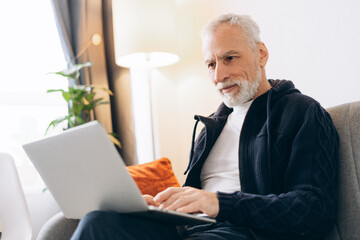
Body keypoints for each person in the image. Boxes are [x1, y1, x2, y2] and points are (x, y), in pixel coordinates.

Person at [71, 13, 339, 240]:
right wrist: (158, 209)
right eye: (211, 64)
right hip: (193, 230)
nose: (218, 76)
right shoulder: (211, 127)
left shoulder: (301, 112)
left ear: (261, 54)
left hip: (248, 232)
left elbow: (315, 209)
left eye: (230, 58)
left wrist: (221, 203)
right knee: (98, 222)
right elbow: (195, 203)